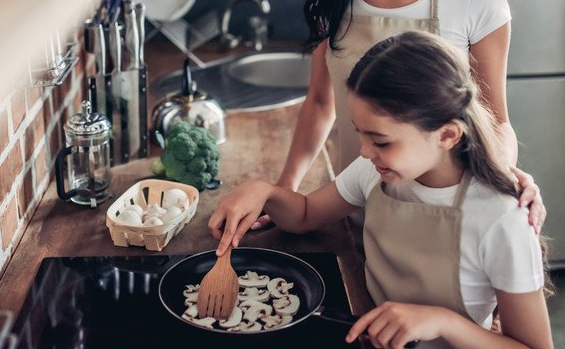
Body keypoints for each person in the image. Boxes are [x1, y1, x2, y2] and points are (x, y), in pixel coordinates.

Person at [209, 32, 553, 349]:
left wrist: (443, 322)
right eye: (362, 134)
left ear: (447, 135)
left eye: (381, 141)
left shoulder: (501, 220)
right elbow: (304, 215)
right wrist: (265, 191)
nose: (365, 151)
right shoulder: (375, 171)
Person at [251, 0, 546, 234]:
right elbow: (319, 103)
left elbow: (495, 120)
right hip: (352, 211)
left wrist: (505, 183)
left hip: (445, 219)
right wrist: (284, 190)